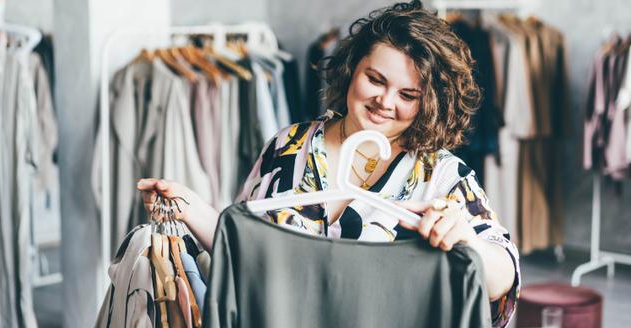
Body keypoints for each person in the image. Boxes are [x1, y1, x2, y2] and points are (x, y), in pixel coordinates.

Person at [137, 1, 519, 327]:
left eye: (407, 94)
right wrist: (191, 209)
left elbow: (504, 280)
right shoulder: (287, 147)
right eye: (375, 79)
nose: (385, 101)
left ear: (430, 102)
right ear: (353, 68)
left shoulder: (443, 178)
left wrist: (467, 241)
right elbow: (245, 248)